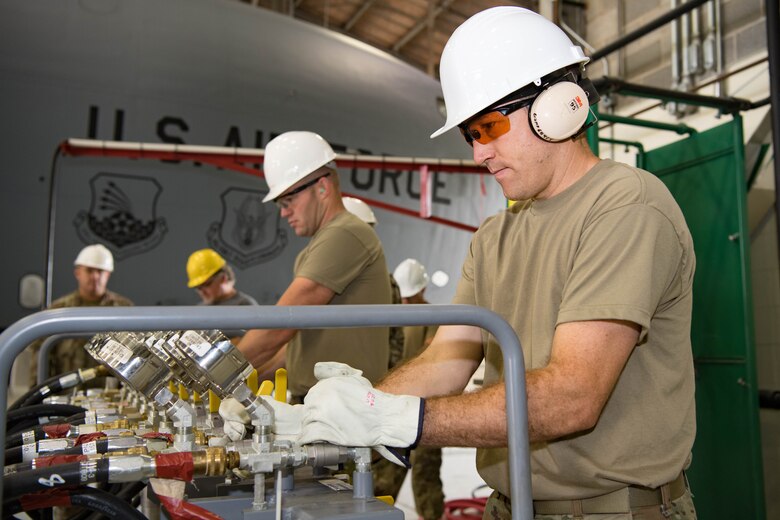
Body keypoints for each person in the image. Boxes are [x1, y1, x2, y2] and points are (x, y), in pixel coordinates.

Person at [298, 7, 697, 520]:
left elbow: (574, 396)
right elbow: (448, 359)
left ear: (558, 107)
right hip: (510, 506)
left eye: (489, 127)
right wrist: (348, 407)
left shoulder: (626, 206)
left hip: (613, 511)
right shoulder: (494, 237)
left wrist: (399, 419)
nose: (478, 155)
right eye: (470, 135)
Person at [237, 131, 392, 402]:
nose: (283, 213)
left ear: (322, 188)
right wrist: (250, 379)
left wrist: (213, 372)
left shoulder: (345, 233)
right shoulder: (317, 246)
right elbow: (299, 347)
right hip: (323, 400)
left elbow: (280, 325)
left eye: (288, 201)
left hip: (344, 405)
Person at [374, 258, 444, 520]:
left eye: (409, 298)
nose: (405, 304)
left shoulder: (436, 319)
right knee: (384, 480)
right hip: (394, 410)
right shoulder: (396, 318)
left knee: (426, 479)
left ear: (422, 291)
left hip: (427, 412)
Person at [27, 244, 133, 383]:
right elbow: (40, 357)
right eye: (89, 271)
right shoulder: (58, 310)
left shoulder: (124, 309)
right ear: (78, 273)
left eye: (100, 271)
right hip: (66, 395)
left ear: (107, 274)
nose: (95, 277)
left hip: (110, 398)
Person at [186, 248, 258, 306]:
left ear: (223, 278)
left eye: (207, 284)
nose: (202, 292)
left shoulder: (245, 306)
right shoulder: (200, 309)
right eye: (198, 288)